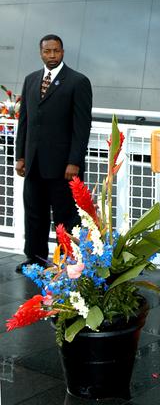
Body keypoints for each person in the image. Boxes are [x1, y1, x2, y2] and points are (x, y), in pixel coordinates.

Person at [15, 34, 92, 273]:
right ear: (40, 52)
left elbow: (82, 126)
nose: (51, 55)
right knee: (34, 213)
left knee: (65, 216)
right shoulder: (31, 80)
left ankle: (67, 262)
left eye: (55, 51)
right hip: (34, 163)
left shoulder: (78, 82)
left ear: (62, 52)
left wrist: (74, 161)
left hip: (63, 167)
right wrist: (20, 156)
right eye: (47, 51)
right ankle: (35, 258)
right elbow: (25, 122)